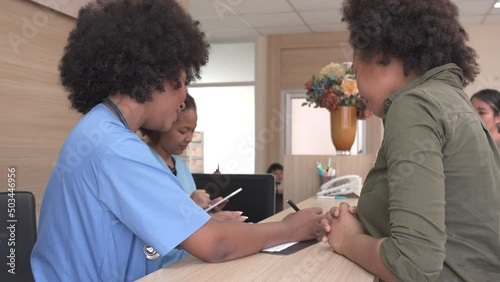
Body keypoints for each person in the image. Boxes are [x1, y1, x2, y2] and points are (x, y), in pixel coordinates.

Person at [30, 1, 323, 281]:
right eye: (181, 82)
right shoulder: (116, 148)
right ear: (150, 76)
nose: (183, 98)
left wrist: (201, 225)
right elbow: (216, 245)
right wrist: (288, 228)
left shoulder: (100, 128)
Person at [321, 1, 500, 281]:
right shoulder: (452, 100)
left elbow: (413, 266)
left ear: (380, 53)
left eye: (356, 71)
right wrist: (373, 218)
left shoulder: (414, 106)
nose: (356, 88)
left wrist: (347, 240)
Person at [140, 93, 246, 268]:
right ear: (163, 124)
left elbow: (191, 216)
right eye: (183, 131)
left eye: (192, 131)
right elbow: (151, 226)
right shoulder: (144, 163)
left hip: (192, 258)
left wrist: (209, 210)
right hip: (161, 265)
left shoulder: (181, 167)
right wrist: (191, 205)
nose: (189, 138)